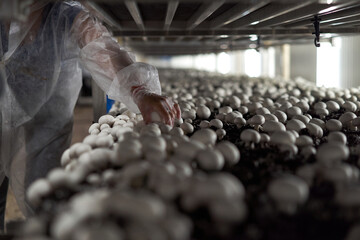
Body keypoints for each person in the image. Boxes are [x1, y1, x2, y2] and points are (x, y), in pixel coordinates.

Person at [0, 0, 180, 229]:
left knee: (44, 192)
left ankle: (43, 229)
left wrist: (139, 91)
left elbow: (103, 47)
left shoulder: (64, 14)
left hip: (49, 117)